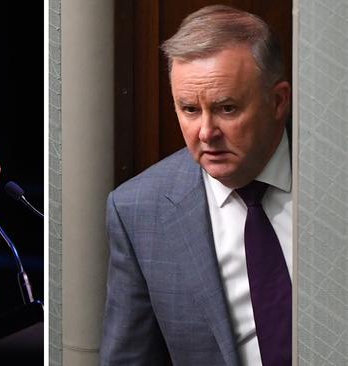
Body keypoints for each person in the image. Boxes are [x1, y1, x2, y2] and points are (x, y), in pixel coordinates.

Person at [101, 5, 292, 366]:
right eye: (189, 109)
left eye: (227, 108)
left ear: (278, 100)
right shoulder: (139, 210)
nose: (206, 133)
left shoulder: (347, 180)